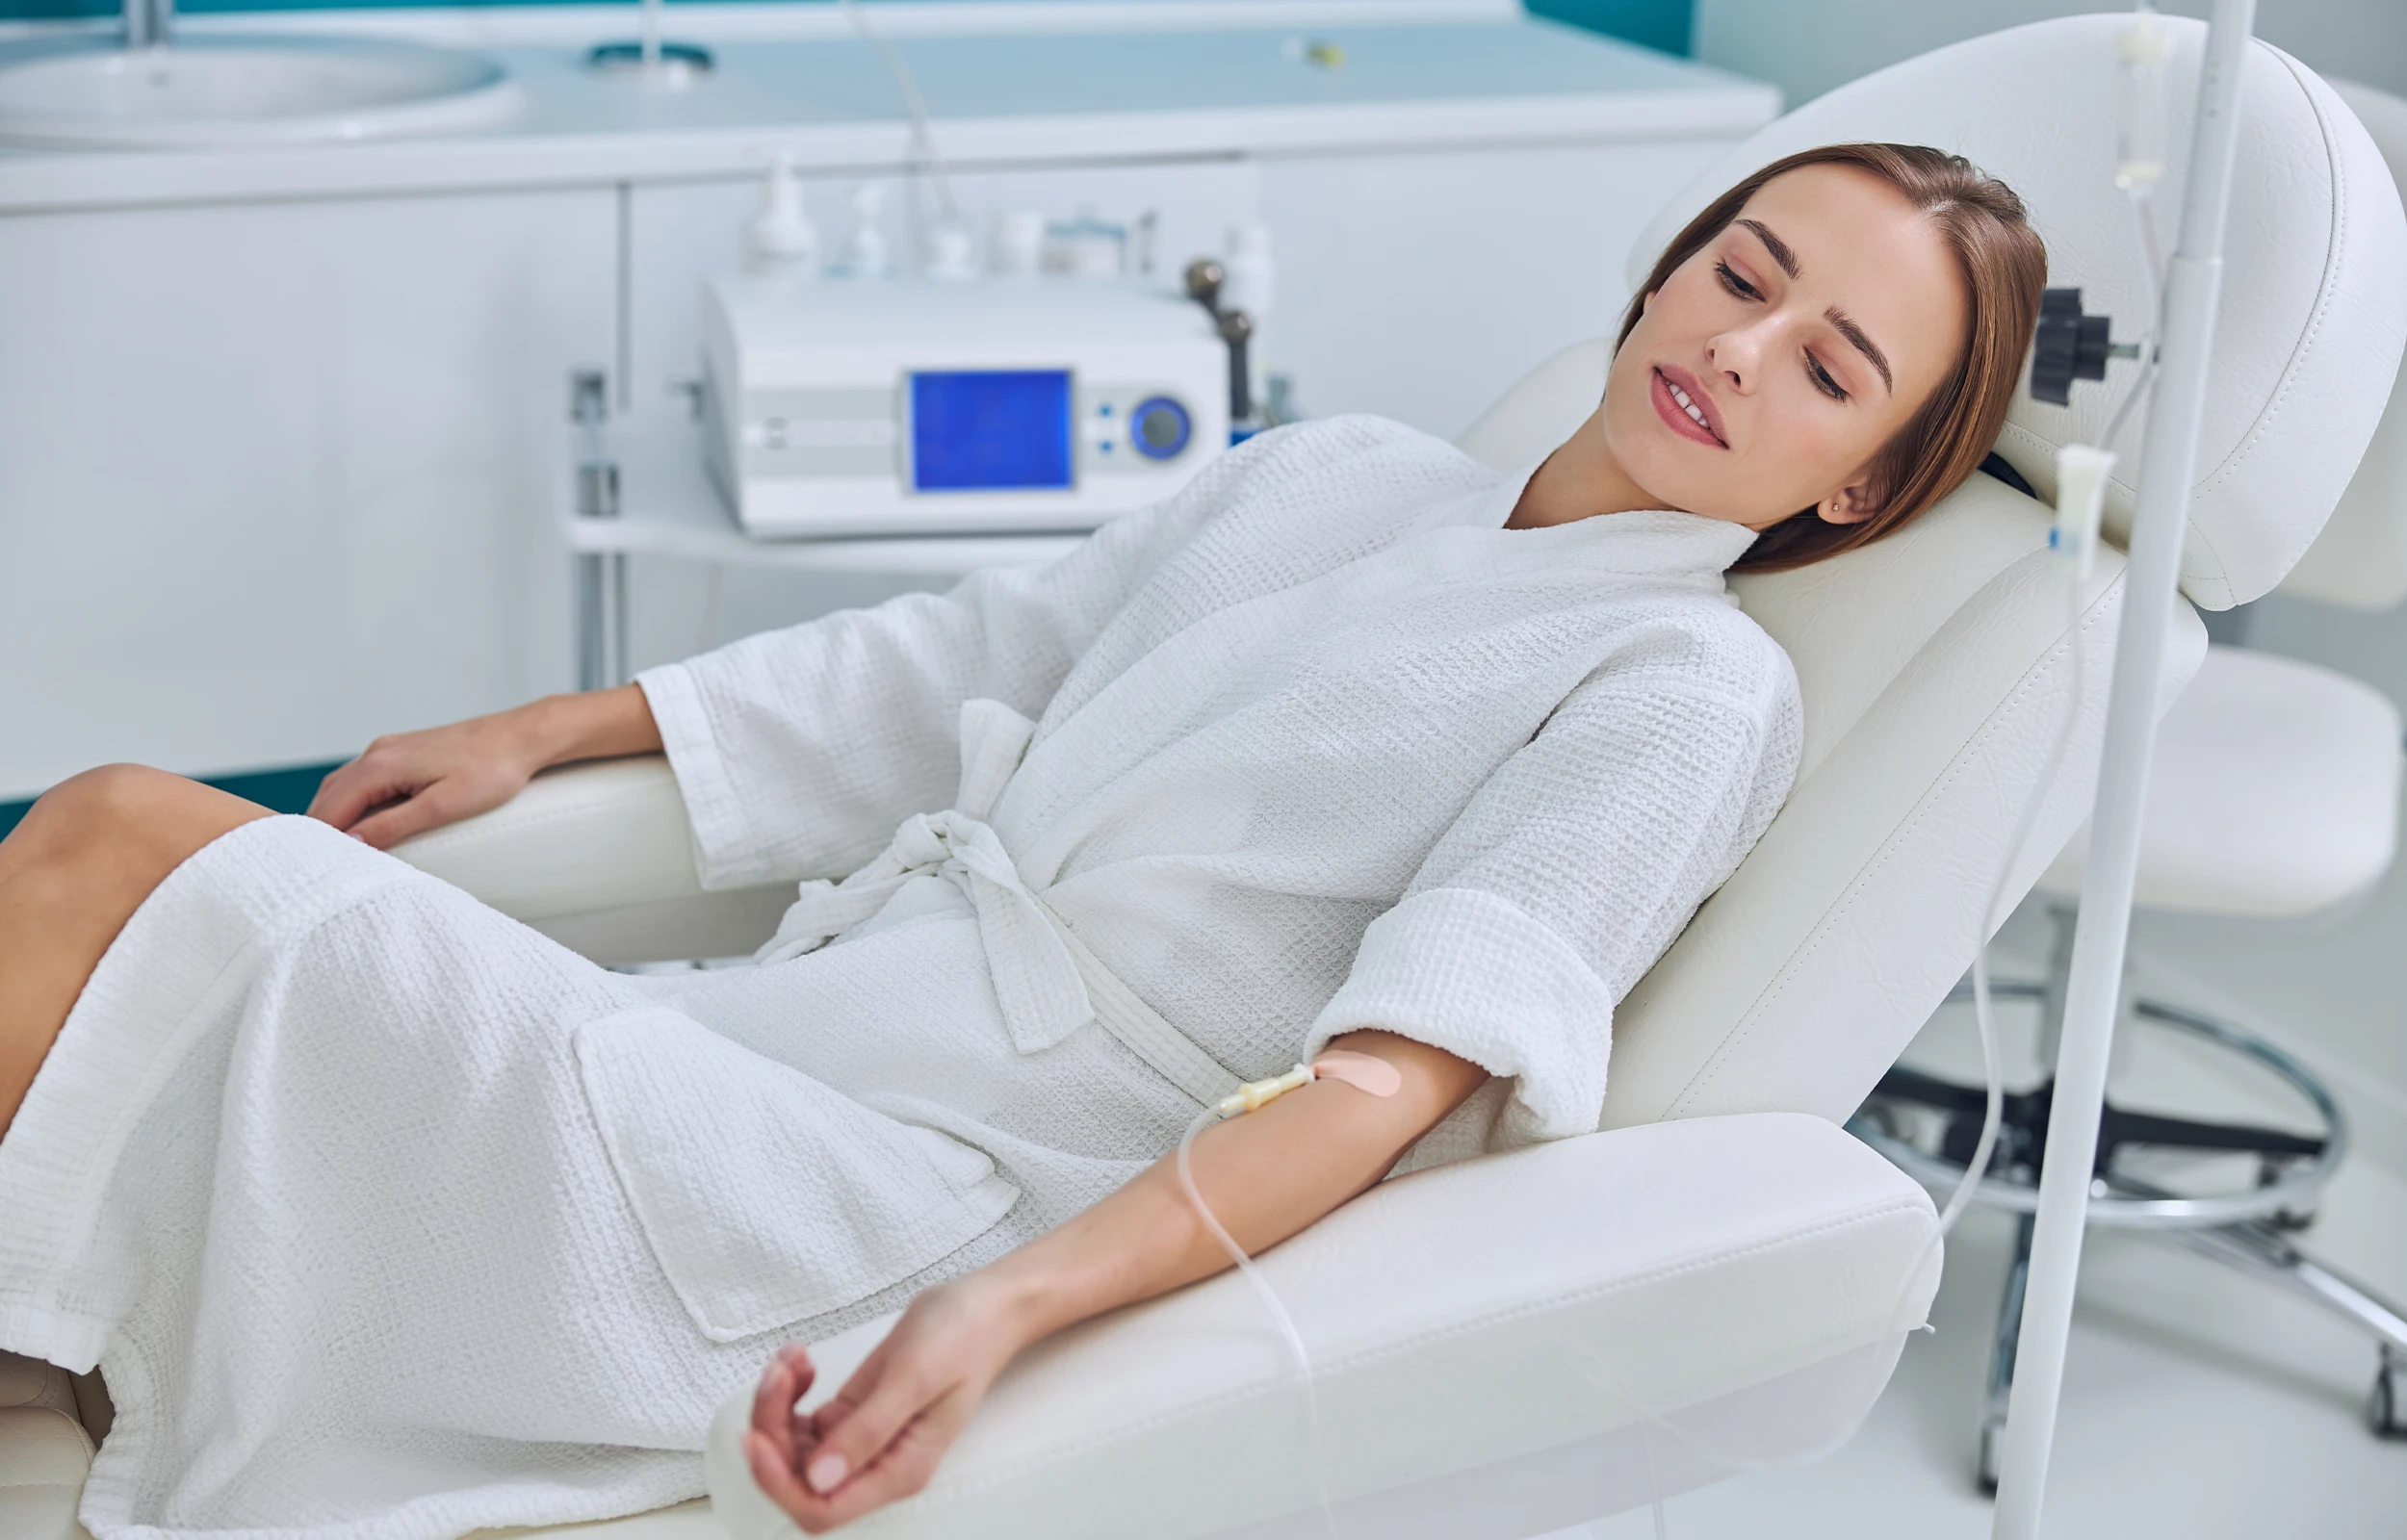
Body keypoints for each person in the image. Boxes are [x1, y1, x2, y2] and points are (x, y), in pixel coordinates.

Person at [0, 143, 2045, 1539]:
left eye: (1825, 368)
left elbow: (1385, 1081)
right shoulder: (1343, 476)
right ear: (1672, 259)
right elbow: (962, 659)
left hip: (938, 1191)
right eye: (1737, 273)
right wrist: (552, 724)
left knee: (114, 833)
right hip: (794, 1040)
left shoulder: (1682, 687)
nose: (1730, 348)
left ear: (1857, 489)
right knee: (140, 891)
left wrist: (996, 1311)